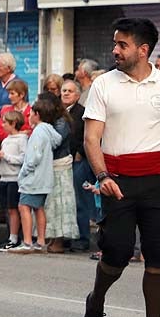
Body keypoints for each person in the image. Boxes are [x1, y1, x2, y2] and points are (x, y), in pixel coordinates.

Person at [80, 17, 160, 317]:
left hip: (157, 179)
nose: (115, 50)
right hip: (117, 178)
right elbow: (91, 138)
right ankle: (96, 300)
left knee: (159, 257)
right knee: (117, 252)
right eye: (115, 43)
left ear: (143, 50)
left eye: (122, 44)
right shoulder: (103, 86)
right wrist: (102, 176)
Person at [14, 97, 63, 253]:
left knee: (24, 206)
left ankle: (27, 241)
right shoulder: (49, 131)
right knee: (38, 208)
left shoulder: (38, 132)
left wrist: (23, 173)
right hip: (44, 178)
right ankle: (41, 241)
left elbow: (33, 157)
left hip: (33, 178)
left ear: (37, 114)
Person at [40, 95, 77, 252]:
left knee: (60, 205)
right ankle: (52, 238)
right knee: (51, 204)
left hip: (60, 166)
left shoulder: (61, 122)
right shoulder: (53, 122)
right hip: (52, 166)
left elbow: (55, 142)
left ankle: (59, 241)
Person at [61, 79, 92, 252]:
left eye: (70, 91)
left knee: (79, 201)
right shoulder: (59, 113)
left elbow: (89, 135)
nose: (65, 93)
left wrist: (80, 151)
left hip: (77, 161)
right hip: (62, 162)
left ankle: (82, 237)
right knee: (66, 201)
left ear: (78, 95)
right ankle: (68, 235)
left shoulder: (82, 112)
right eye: (64, 90)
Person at [0, 110, 28, 252]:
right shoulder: (6, 140)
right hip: (4, 177)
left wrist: (6, 157)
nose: (3, 125)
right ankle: (11, 235)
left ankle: (14, 238)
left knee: (13, 209)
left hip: (15, 178)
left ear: (14, 123)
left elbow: (23, 159)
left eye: (5, 122)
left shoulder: (22, 139)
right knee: (7, 209)